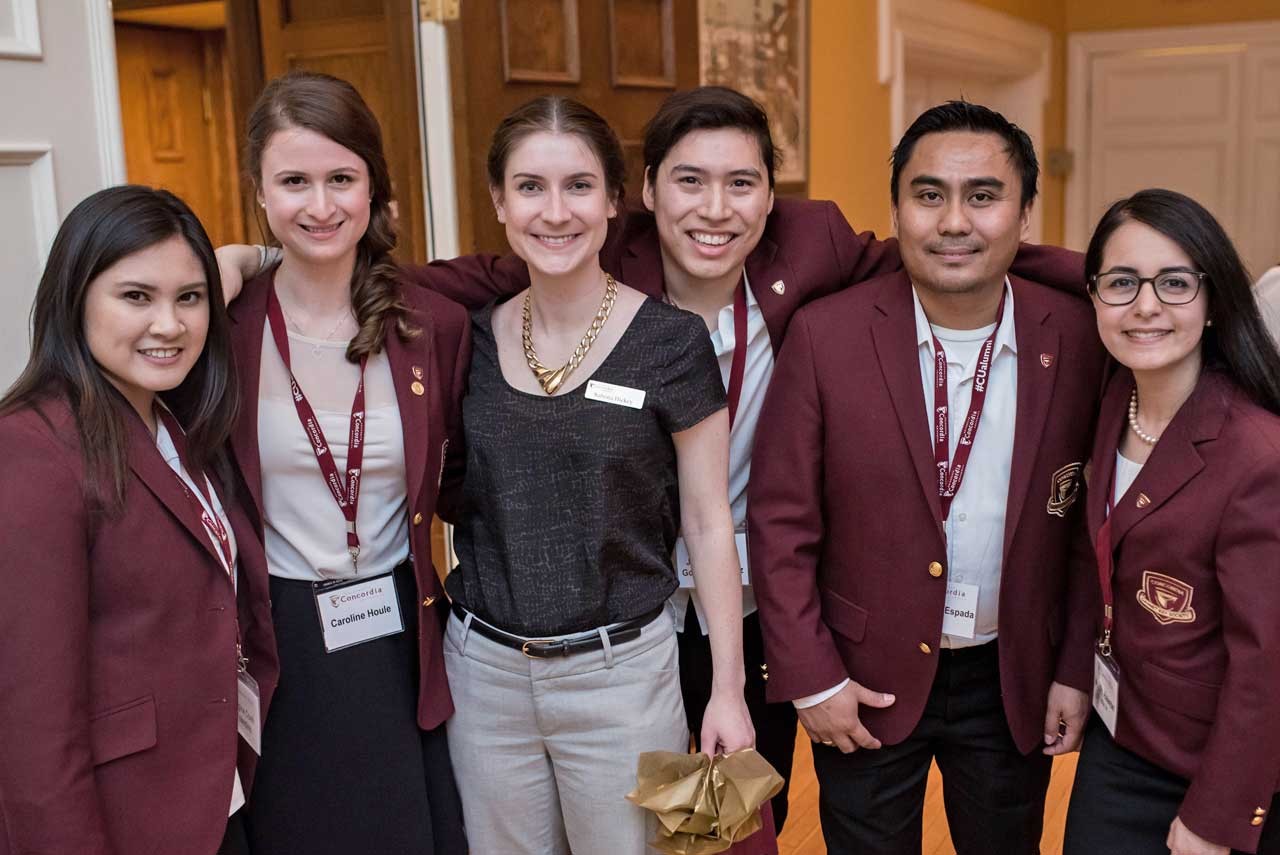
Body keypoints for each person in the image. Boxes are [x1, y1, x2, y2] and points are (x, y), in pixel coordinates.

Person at [216, 86, 1084, 829]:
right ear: (644, 194)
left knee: (724, 831)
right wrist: (258, 257)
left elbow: (949, 251)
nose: (715, 209)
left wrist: (1126, 275)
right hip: (627, 622)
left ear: (771, 197)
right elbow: (421, 279)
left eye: (742, 183)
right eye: (689, 182)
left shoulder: (813, 250)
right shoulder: (593, 254)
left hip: (747, 623)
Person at [748, 100, 1106, 855]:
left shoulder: (1078, 336)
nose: (954, 222)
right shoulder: (825, 334)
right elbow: (781, 523)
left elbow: (1083, 527)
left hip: (1014, 678)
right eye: (929, 195)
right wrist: (811, 677)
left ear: (1025, 212)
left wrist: (1075, 666)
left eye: (983, 196)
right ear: (898, 210)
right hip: (862, 676)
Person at [441, 94, 753, 855]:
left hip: (623, 679)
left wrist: (728, 689)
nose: (555, 212)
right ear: (499, 201)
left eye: (579, 185)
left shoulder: (672, 343)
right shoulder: (467, 339)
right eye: (530, 187)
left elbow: (709, 522)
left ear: (616, 200)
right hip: (483, 678)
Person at [229, 71, 468, 854]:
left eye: (342, 178)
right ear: (259, 189)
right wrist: (222, 259)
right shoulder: (222, 324)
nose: (321, 205)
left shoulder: (432, 322)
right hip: (280, 635)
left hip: (402, 627)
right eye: (294, 181)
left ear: (375, 187)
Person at [0, 185, 279, 855]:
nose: (170, 324)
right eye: (136, 297)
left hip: (211, 799)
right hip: (124, 820)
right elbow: (34, 727)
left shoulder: (167, 419)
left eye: (189, 297)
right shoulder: (33, 447)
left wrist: (250, 256)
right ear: (76, 298)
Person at [1062, 189, 1280, 855]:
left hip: (1216, 763)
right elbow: (1091, 560)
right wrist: (1072, 673)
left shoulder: (1257, 453)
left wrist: (1217, 813)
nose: (1146, 305)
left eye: (1175, 283)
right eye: (1122, 282)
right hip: (1122, 733)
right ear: (1094, 294)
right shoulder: (1113, 401)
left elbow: (1267, 660)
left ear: (1213, 301)